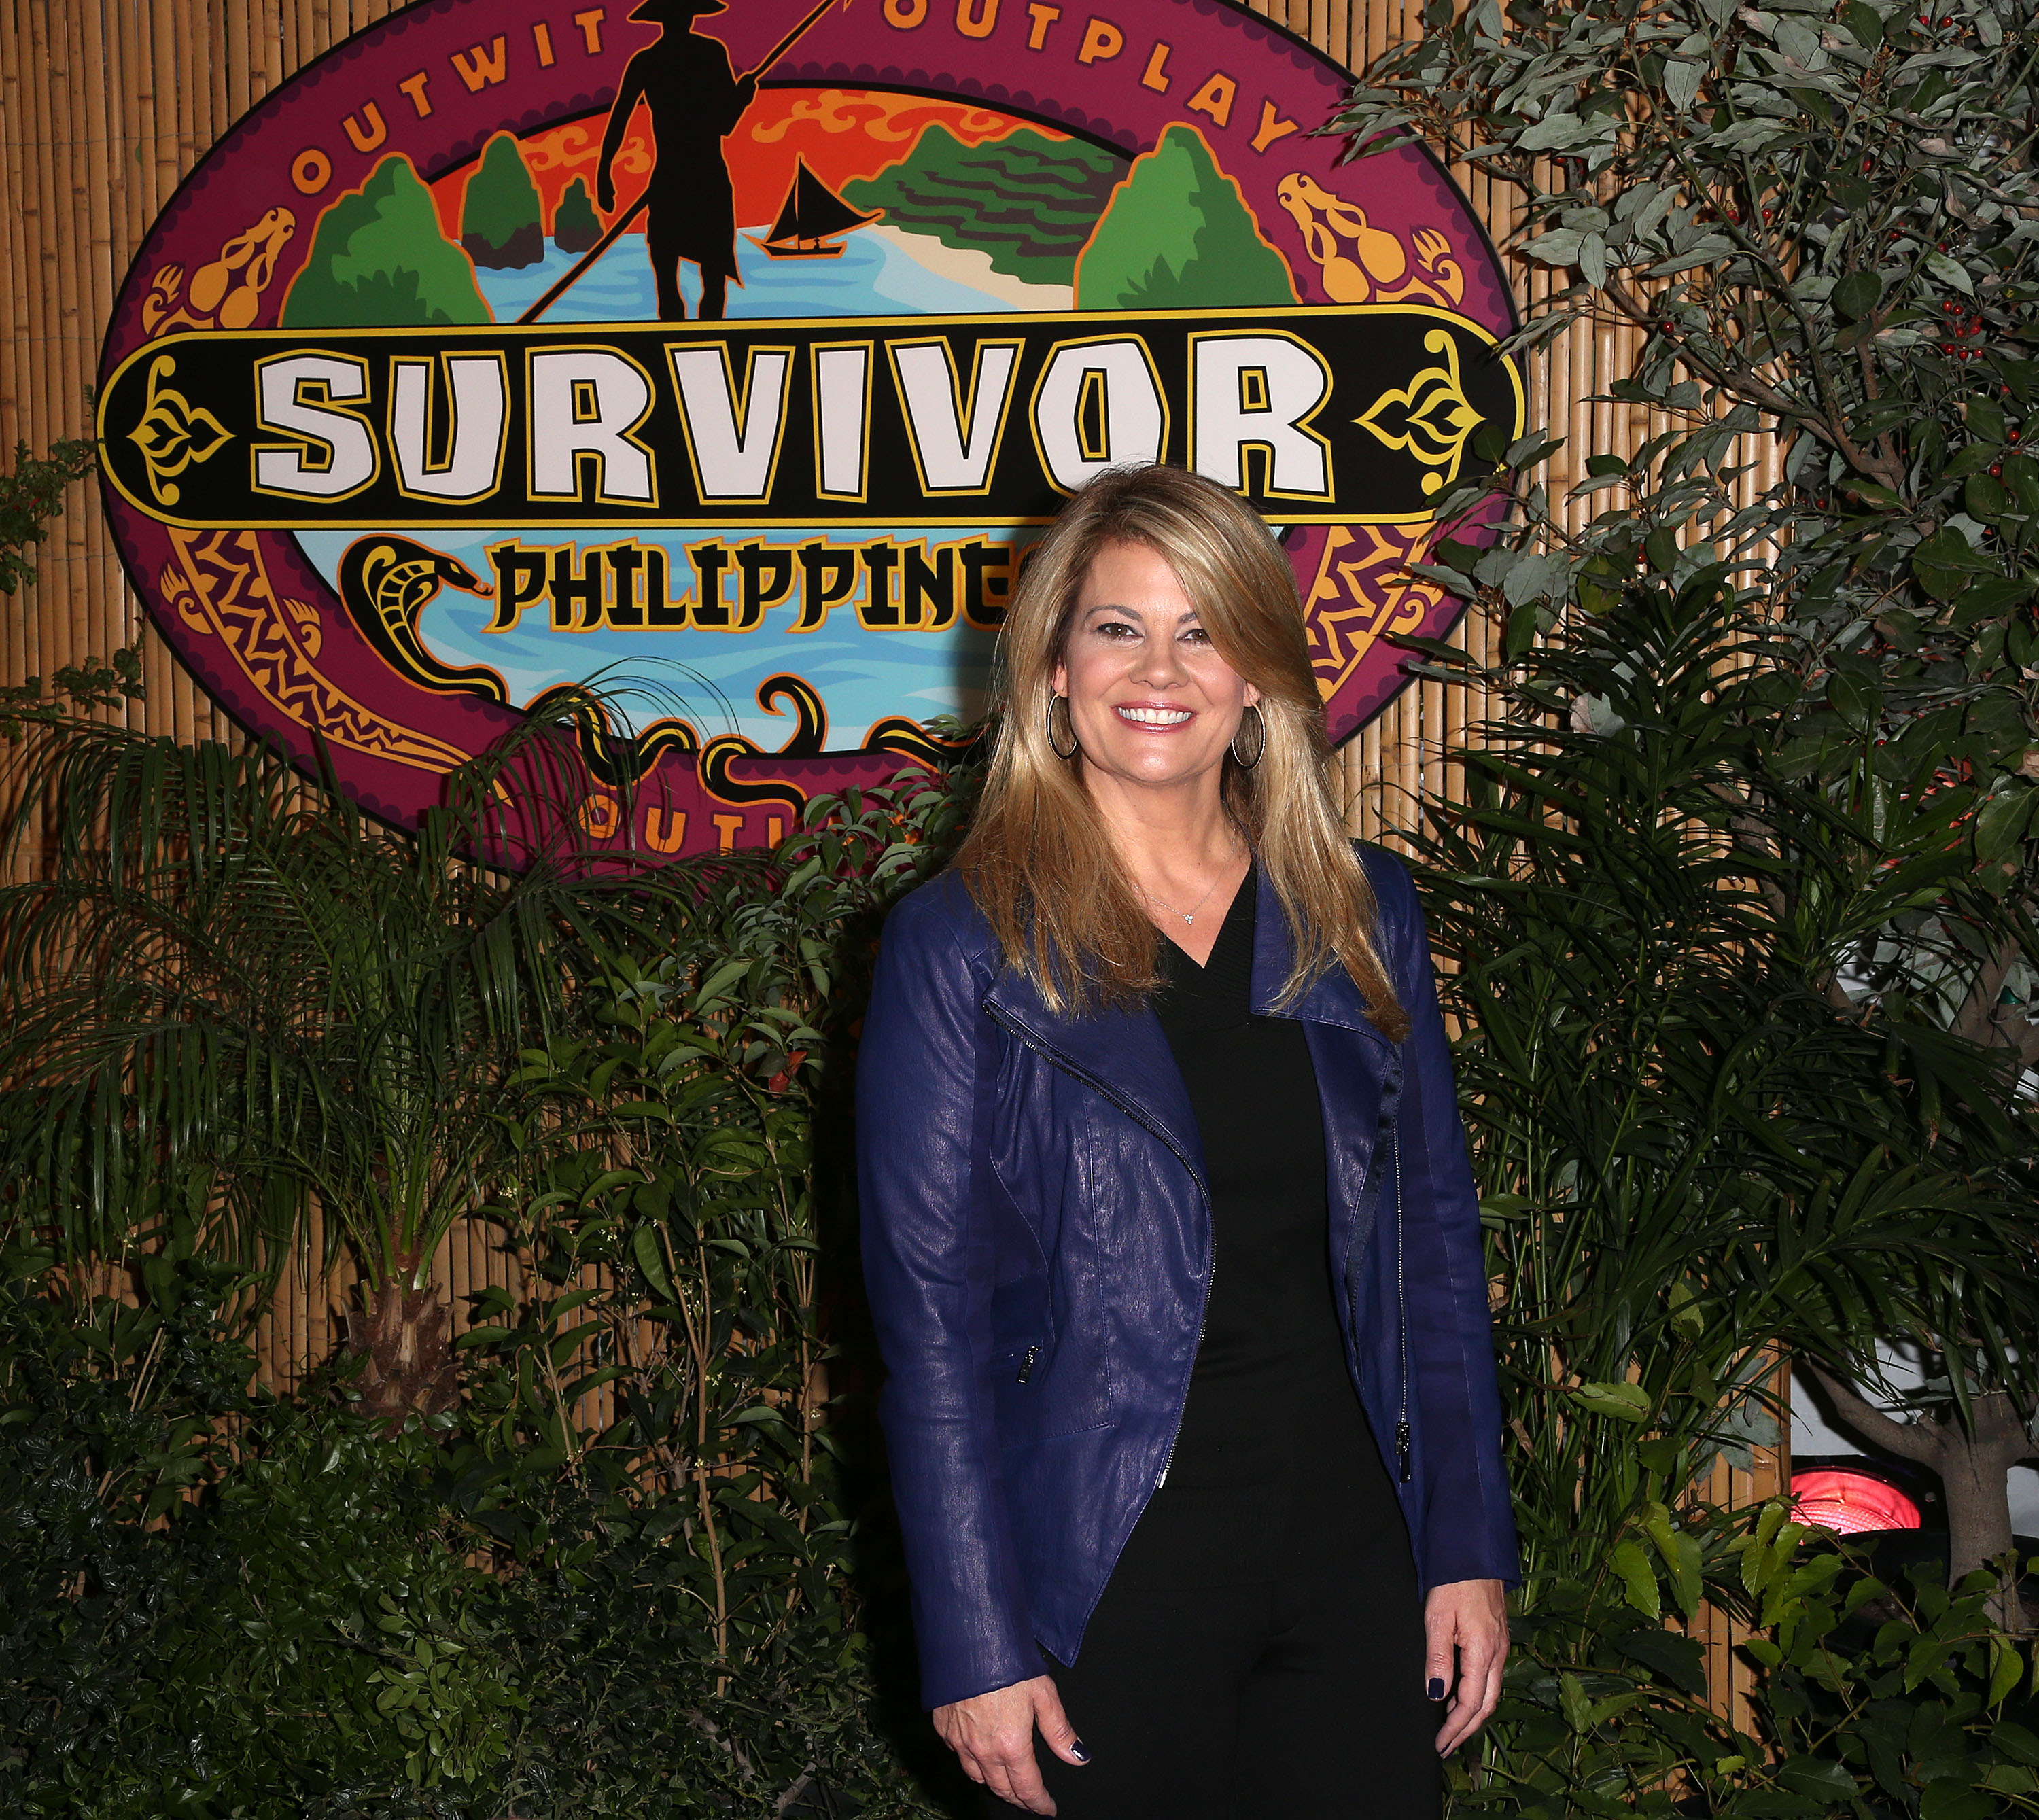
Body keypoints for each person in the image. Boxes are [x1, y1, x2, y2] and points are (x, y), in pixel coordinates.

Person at [856, 464, 1517, 1819]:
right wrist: (976, 1637)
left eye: (1202, 627)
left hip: (1351, 1558)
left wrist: (1466, 1545)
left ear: (1260, 670)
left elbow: (1435, 1256)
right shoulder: (959, 944)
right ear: (1048, 666)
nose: (1160, 667)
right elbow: (933, 1326)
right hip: (1103, 1575)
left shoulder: (1360, 909)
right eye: (1115, 626)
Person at [595, 0, 753, 321]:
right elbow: (724, 123)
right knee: (702, 277)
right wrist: (742, 97)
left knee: (675, 278)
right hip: (702, 177)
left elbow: (620, 118)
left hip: (675, 178)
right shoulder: (709, 53)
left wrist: (604, 173)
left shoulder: (648, 61)